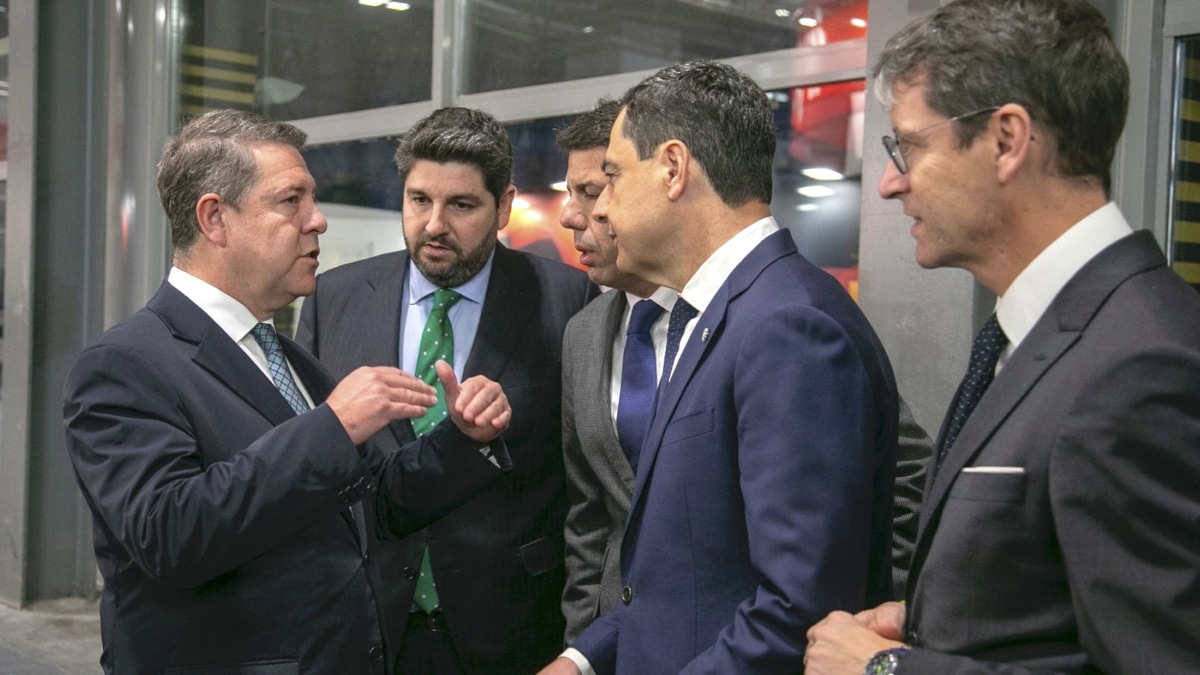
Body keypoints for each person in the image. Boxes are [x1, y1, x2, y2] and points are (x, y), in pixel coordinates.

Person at [804, 1, 1200, 673]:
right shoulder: (1031, 333)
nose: (893, 181)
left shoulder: (1142, 361)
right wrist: (932, 616)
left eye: (910, 145)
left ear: (1007, 139)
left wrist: (888, 669)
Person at [62, 109, 514, 675]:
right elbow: (168, 534)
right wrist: (334, 426)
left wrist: (463, 442)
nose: (318, 221)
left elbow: (370, 505)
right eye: (290, 201)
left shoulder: (286, 354)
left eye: (313, 200)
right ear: (214, 219)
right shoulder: (124, 364)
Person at [543, 60, 900, 675]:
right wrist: (581, 660)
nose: (600, 210)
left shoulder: (788, 325)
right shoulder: (709, 316)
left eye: (613, 177)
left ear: (674, 169)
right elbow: (683, 572)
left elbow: (797, 611)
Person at [295, 106, 597, 675]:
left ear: (503, 206)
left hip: (511, 626)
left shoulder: (570, 301)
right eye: (418, 201)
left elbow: (586, 483)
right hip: (366, 622)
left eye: (461, 205)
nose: (434, 224)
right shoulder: (332, 297)